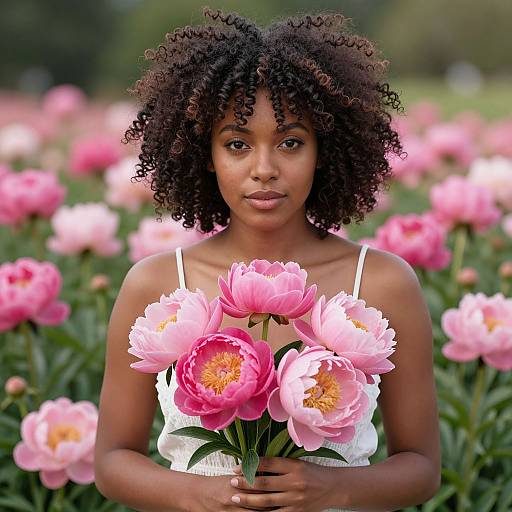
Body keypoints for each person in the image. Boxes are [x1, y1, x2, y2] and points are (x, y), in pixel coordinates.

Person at [94, 7, 441, 512]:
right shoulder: (156, 286)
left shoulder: (383, 284)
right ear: (203, 152)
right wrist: (205, 495)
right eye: (237, 144)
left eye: (291, 142)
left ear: (324, 150)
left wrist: (332, 489)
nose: (263, 169)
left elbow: (422, 466)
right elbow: (111, 460)